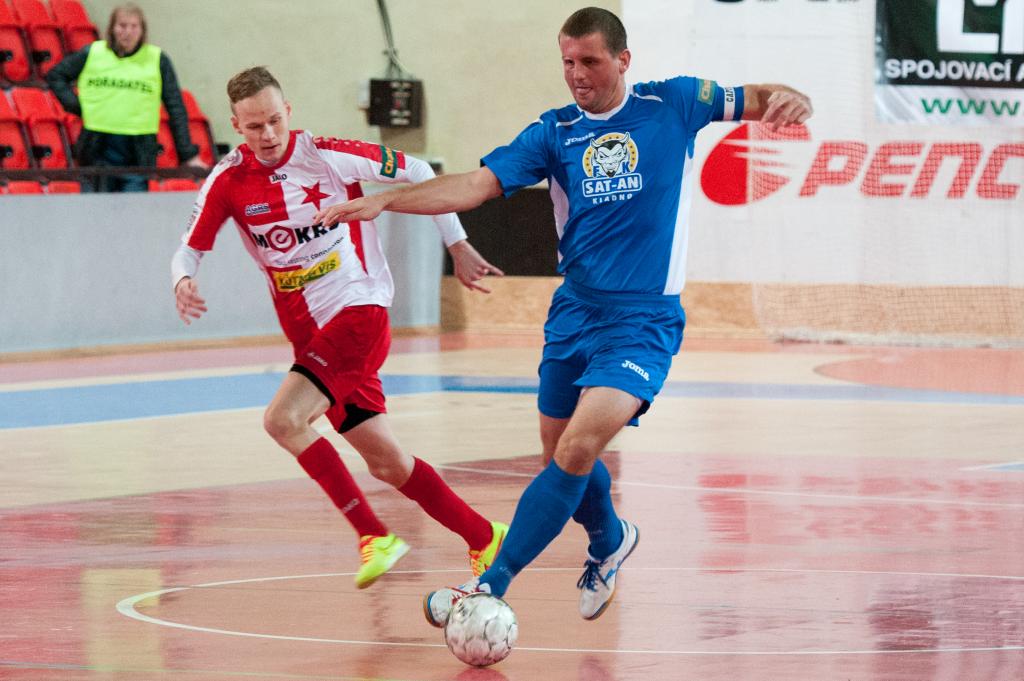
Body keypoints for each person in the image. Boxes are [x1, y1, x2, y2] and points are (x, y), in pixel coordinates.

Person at [314, 7, 812, 622]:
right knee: (560, 457)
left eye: (590, 61)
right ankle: (609, 540)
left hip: (642, 321)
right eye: (567, 62)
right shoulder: (554, 132)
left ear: (623, 60)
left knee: (577, 447)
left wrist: (792, 99)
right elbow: (476, 185)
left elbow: (760, 98)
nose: (576, 74)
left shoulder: (675, 103)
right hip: (574, 314)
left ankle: (488, 585)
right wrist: (386, 201)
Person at [171, 66, 508, 589]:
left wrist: (457, 244)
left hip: (358, 313)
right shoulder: (228, 180)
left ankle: (374, 536)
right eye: (254, 126)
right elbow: (189, 248)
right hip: (312, 338)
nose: (268, 134)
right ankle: (485, 536)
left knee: (283, 420)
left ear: (289, 112)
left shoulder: (328, 156)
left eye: (275, 120)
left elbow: (419, 170)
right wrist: (183, 279)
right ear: (236, 126)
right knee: (387, 463)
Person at [46, 3, 207, 192]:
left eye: (134, 26)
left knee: (134, 207)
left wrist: (188, 154)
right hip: (97, 146)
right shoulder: (92, 53)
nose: (128, 32)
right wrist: (77, 106)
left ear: (142, 30)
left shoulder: (158, 60)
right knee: (95, 207)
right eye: (122, 26)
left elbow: (176, 107)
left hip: (138, 150)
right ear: (112, 28)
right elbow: (55, 75)